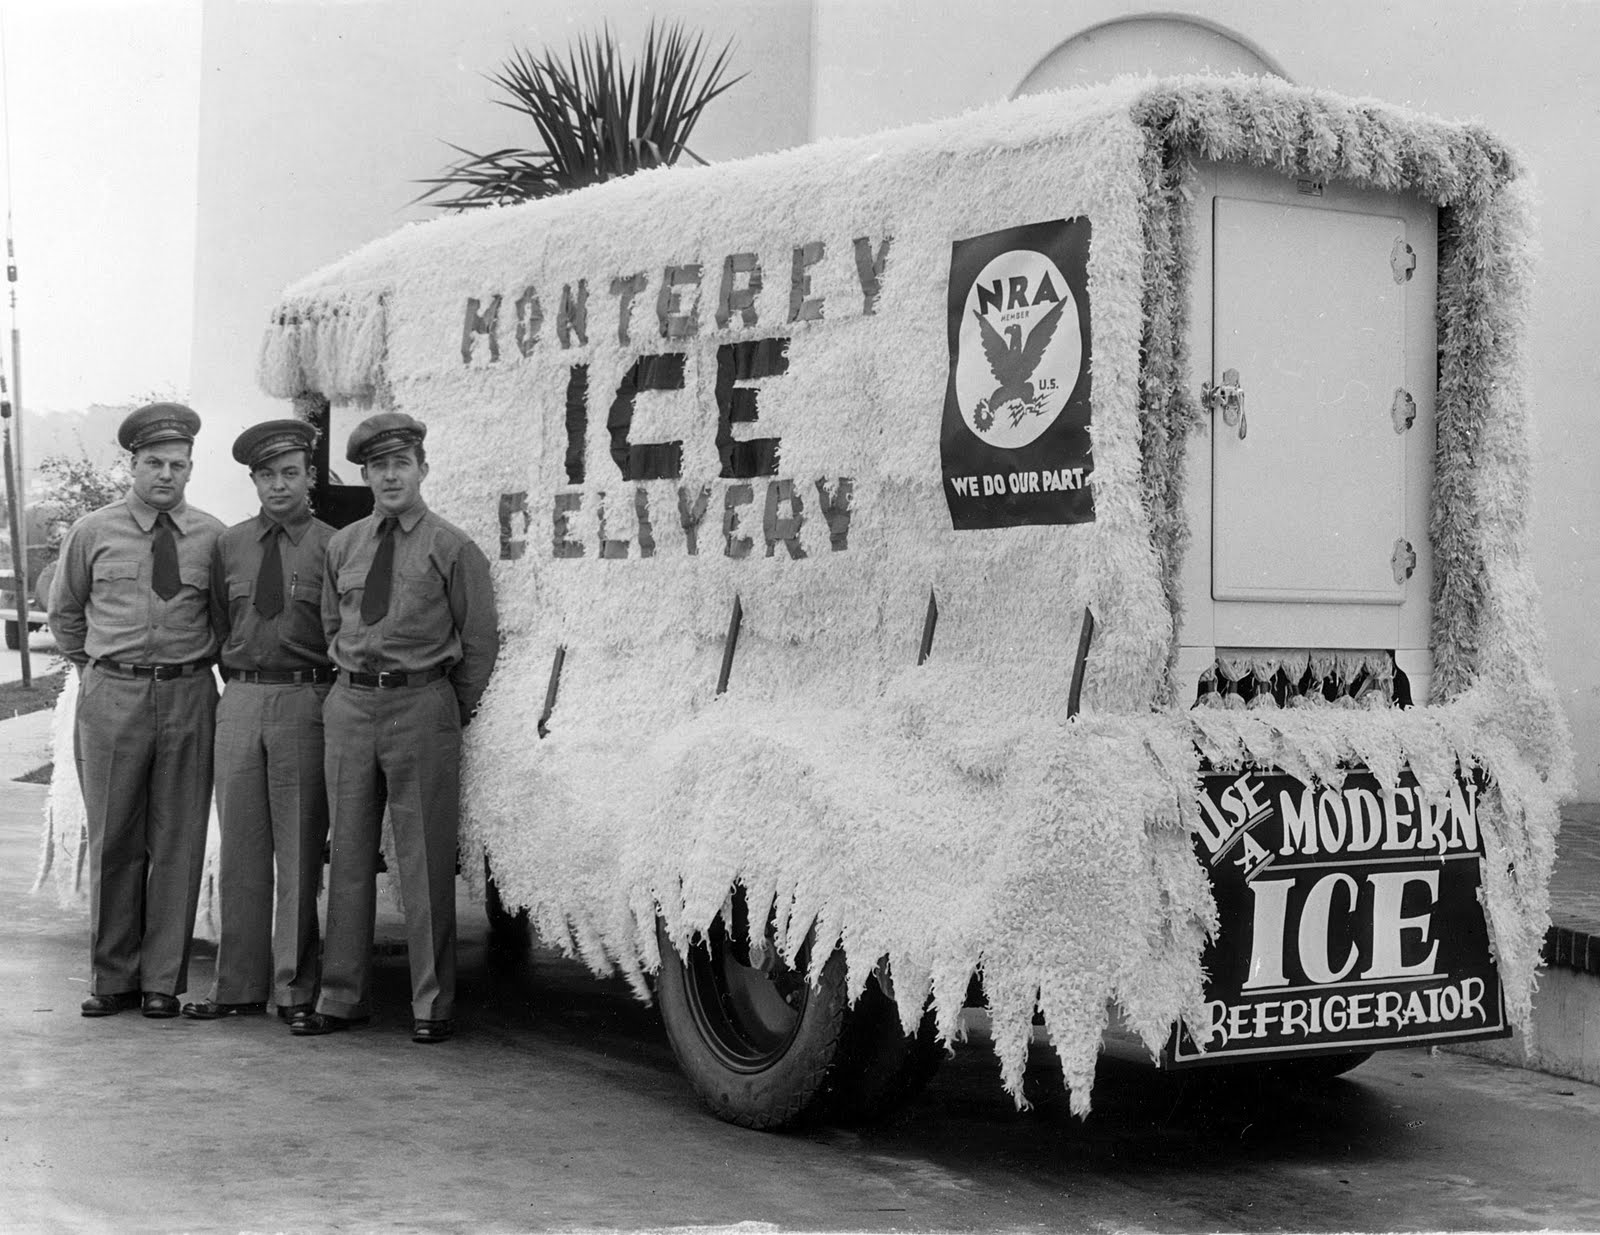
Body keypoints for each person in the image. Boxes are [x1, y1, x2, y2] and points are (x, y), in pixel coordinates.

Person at [292, 412, 498, 1044]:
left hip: (422, 708)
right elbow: (332, 625)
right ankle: (341, 996)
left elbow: (479, 642)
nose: (389, 476)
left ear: (422, 470)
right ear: (365, 476)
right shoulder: (344, 545)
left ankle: (431, 1004)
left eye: (400, 464)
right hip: (351, 706)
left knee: (424, 859)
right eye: (377, 466)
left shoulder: (453, 547)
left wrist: (445, 707)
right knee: (349, 853)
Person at [48, 402, 225, 1018]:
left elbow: (222, 621)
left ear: (190, 468)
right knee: (115, 836)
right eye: (154, 462)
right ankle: (112, 977)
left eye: (177, 464)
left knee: (179, 839)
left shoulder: (213, 537)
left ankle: (161, 982)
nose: (166, 474)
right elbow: (65, 613)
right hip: (114, 694)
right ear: (133, 465)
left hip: (188, 694)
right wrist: (100, 670)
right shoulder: (92, 531)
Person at [181, 419, 335, 1024]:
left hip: (305, 699)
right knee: (241, 850)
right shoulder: (230, 545)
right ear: (254, 480)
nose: (278, 485)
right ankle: (237, 987)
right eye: (266, 475)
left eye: (290, 473)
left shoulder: (334, 545)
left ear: (310, 476)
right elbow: (221, 622)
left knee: (298, 851)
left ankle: (294, 990)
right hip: (241, 699)